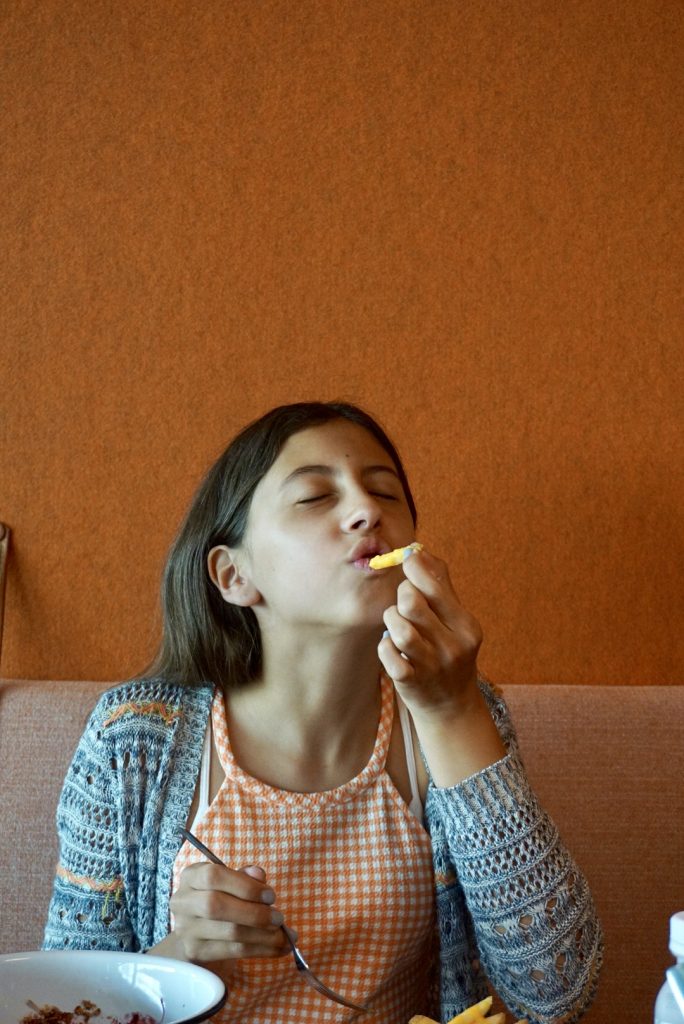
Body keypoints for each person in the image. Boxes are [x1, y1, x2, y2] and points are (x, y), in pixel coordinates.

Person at [44, 401, 602, 1024]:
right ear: (234, 576)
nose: (367, 511)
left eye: (385, 492)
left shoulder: (457, 716)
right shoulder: (134, 741)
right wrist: (174, 963)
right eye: (314, 497)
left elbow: (557, 993)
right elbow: (67, 1003)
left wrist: (452, 710)